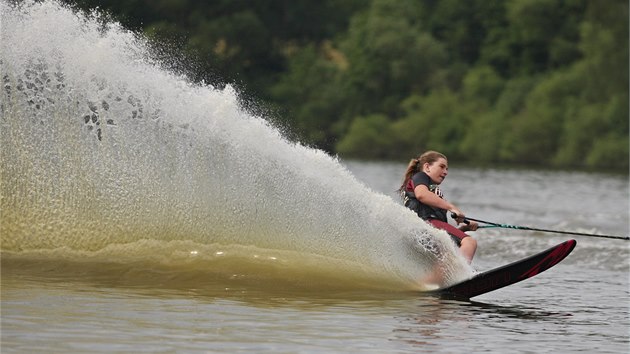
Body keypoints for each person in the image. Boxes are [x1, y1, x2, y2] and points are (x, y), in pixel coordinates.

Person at [398, 150, 478, 263]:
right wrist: (451, 207)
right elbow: (422, 195)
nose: (445, 172)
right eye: (442, 167)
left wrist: (463, 229)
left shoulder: (428, 187)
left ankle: (432, 281)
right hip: (425, 225)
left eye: (447, 169)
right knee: (469, 242)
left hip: (420, 231)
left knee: (446, 258)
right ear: (427, 167)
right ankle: (463, 275)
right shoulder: (420, 176)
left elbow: (441, 231)